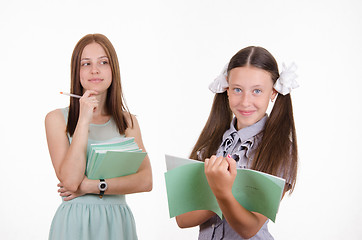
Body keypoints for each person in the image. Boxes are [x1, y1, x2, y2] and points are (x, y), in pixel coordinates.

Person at [175, 46, 299, 239]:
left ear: (273, 92)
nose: (245, 101)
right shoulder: (211, 142)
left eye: (257, 91)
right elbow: (182, 218)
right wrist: (225, 192)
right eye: (237, 89)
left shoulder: (280, 150)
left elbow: (249, 228)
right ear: (227, 89)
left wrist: (221, 190)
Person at [45, 33, 152, 240]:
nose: (95, 70)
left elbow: (146, 180)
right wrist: (84, 118)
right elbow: (70, 180)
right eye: (86, 64)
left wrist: (92, 186)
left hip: (117, 223)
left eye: (103, 62)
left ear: (114, 70)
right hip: (74, 224)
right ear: (77, 72)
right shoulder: (56, 119)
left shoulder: (128, 122)